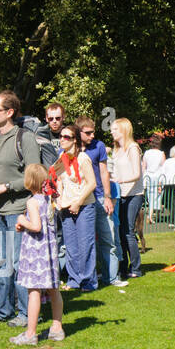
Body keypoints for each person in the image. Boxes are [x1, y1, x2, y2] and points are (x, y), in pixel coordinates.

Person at [0, 91, 41, 326]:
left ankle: (26, 313)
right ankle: (2, 309)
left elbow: (34, 176)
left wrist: (4, 187)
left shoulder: (24, 138)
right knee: (0, 262)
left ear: (10, 112)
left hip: (19, 211)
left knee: (19, 263)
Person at [10, 163, 64, 346]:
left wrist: (21, 220)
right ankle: (57, 328)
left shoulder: (32, 202)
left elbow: (36, 226)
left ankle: (30, 333)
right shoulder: (49, 200)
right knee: (53, 289)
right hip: (49, 251)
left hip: (36, 252)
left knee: (34, 291)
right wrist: (23, 224)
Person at [53, 123, 97, 291]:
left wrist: (78, 202)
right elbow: (59, 180)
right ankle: (74, 279)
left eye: (67, 137)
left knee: (85, 244)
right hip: (66, 207)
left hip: (84, 206)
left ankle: (88, 281)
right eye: (61, 136)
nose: (62, 140)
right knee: (71, 246)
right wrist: (58, 200)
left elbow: (92, 183)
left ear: (75, 141)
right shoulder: (61, 158)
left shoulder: (83, 158)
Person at [77, 116, 120, 286]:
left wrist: (108, 197)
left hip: (100, 197)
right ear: (79, 132)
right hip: (82, 199)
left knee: (107, 238)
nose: (92, 135)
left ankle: (112, 277)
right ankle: (84, 278)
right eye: (87, 133)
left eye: (93, 131)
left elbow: (104, 173)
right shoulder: (71, 147)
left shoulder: (99, 146)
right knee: (84, 241)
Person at [111, 118, 144, 279]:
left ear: (124, 130)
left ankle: (136, 268)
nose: (112, 132)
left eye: (115, 129)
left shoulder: (133, 148)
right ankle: (123, 266)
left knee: (128, 231)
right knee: (121, 231)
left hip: (134, 194)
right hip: (120, 194)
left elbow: (137, 174)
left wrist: (120, 180)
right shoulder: (116, 150)